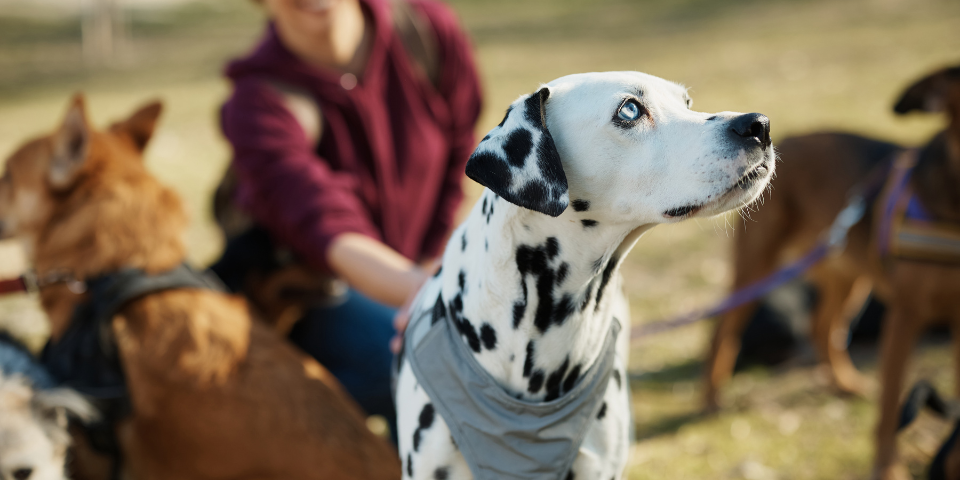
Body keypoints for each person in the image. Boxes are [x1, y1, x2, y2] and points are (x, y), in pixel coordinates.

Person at [216, 0, 482, 438]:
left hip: (415, 270)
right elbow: (328, 229)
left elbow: (459, 151)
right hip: (317, 294)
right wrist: (436, 295)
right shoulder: (257, 101)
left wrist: (435, 259)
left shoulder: (427, 32)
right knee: (421, 358)